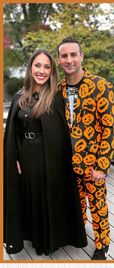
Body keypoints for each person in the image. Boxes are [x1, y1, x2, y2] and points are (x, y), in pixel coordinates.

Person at [4, 49, 87, 256]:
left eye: (47, 67)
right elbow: (13, 132)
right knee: (33, 196)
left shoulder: (56, 98)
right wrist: (14, 156)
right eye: (38, 65)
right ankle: (35, 237)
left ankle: (52, 240)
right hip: (28, 157)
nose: (41, 71)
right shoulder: (18, 98)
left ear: (52, 72)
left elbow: (61, 133)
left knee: (50, 197)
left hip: (52, 158)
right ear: (31, 67)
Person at [57, 37, 114, 260]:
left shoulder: (100, 85)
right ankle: (78, 233)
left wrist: (102, 165)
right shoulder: (58, 89)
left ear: (81, 56)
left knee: (98, 206)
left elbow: (110, 128)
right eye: (64, 56)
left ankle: (102, 244)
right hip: (67, 163)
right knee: (76, 203)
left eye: (73, 54)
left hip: (93, 163)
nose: (69, 60)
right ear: (59, 60)